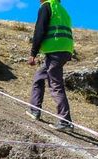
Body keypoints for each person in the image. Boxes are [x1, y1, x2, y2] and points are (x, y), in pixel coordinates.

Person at [27, 0, 75, 131]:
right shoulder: (61, 9)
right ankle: (34, 110)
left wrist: (33, 53)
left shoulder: (46, 6)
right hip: (64, 50)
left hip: (55, 51)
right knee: (39, 76)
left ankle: (65, 121)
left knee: (55, 85)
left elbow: (40, 30)